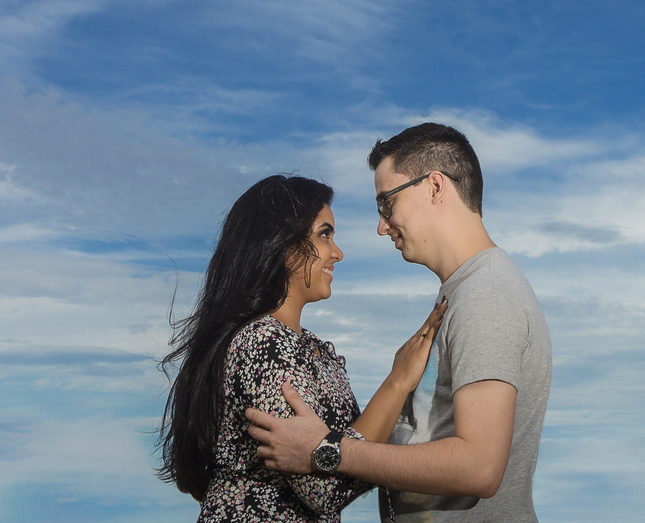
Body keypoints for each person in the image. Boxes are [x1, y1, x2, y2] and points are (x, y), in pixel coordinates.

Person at [247, 123, 553, 522]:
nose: (381, 225)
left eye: (386, 203)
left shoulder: (486, 293)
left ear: (435, 187)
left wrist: (328, 449)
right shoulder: (466, 292)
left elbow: (480, 467)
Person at [158, 174, 446, 522]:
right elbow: (326, 489)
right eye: (325, 234)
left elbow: (353, 453)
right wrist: (398, 381)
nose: (337, 252)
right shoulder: (261, 344)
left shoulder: (312, 350)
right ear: (281, 243)